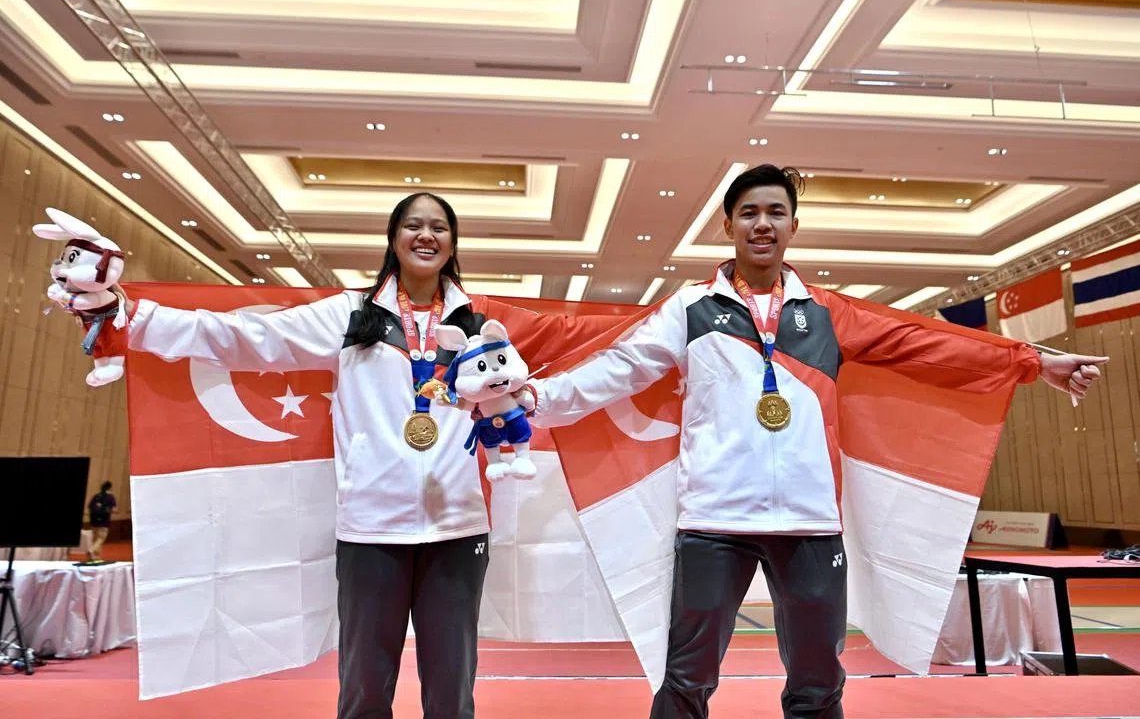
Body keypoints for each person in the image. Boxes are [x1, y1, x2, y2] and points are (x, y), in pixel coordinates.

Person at [527, 164, 1108, 719]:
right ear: (726, 226)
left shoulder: (828, 313)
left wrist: (1035, 360)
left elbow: (926, 343)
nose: (762, 224)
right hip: (713, 523)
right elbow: (620, 367)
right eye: (749, 212)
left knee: (819, 687)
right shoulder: (690, 308)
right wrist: (536, 398)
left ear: (793, 227)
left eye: (776, 212)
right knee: (686, 680)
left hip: (809, 525)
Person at [122, 192, 624, 719]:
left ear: (453, 244)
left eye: (439, 228)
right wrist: (133, 318)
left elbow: (579, 343)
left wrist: (673, 326)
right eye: (413, 225)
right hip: (370, 530)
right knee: (363, 689)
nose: (426, 236)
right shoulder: (349, 315)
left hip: (457, 528)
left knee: (452, 695)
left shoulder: (483, 323)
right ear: (393, 238)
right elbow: (246, 337)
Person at [87, 480, 117, 561]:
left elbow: (90, 507)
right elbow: (114, 509)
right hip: (104, 521)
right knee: (101, 538)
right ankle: (92, 550)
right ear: (110, 487)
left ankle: (95, 557)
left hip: (93, 520)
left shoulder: (96, 496)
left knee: (95, 538)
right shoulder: (110, 497)